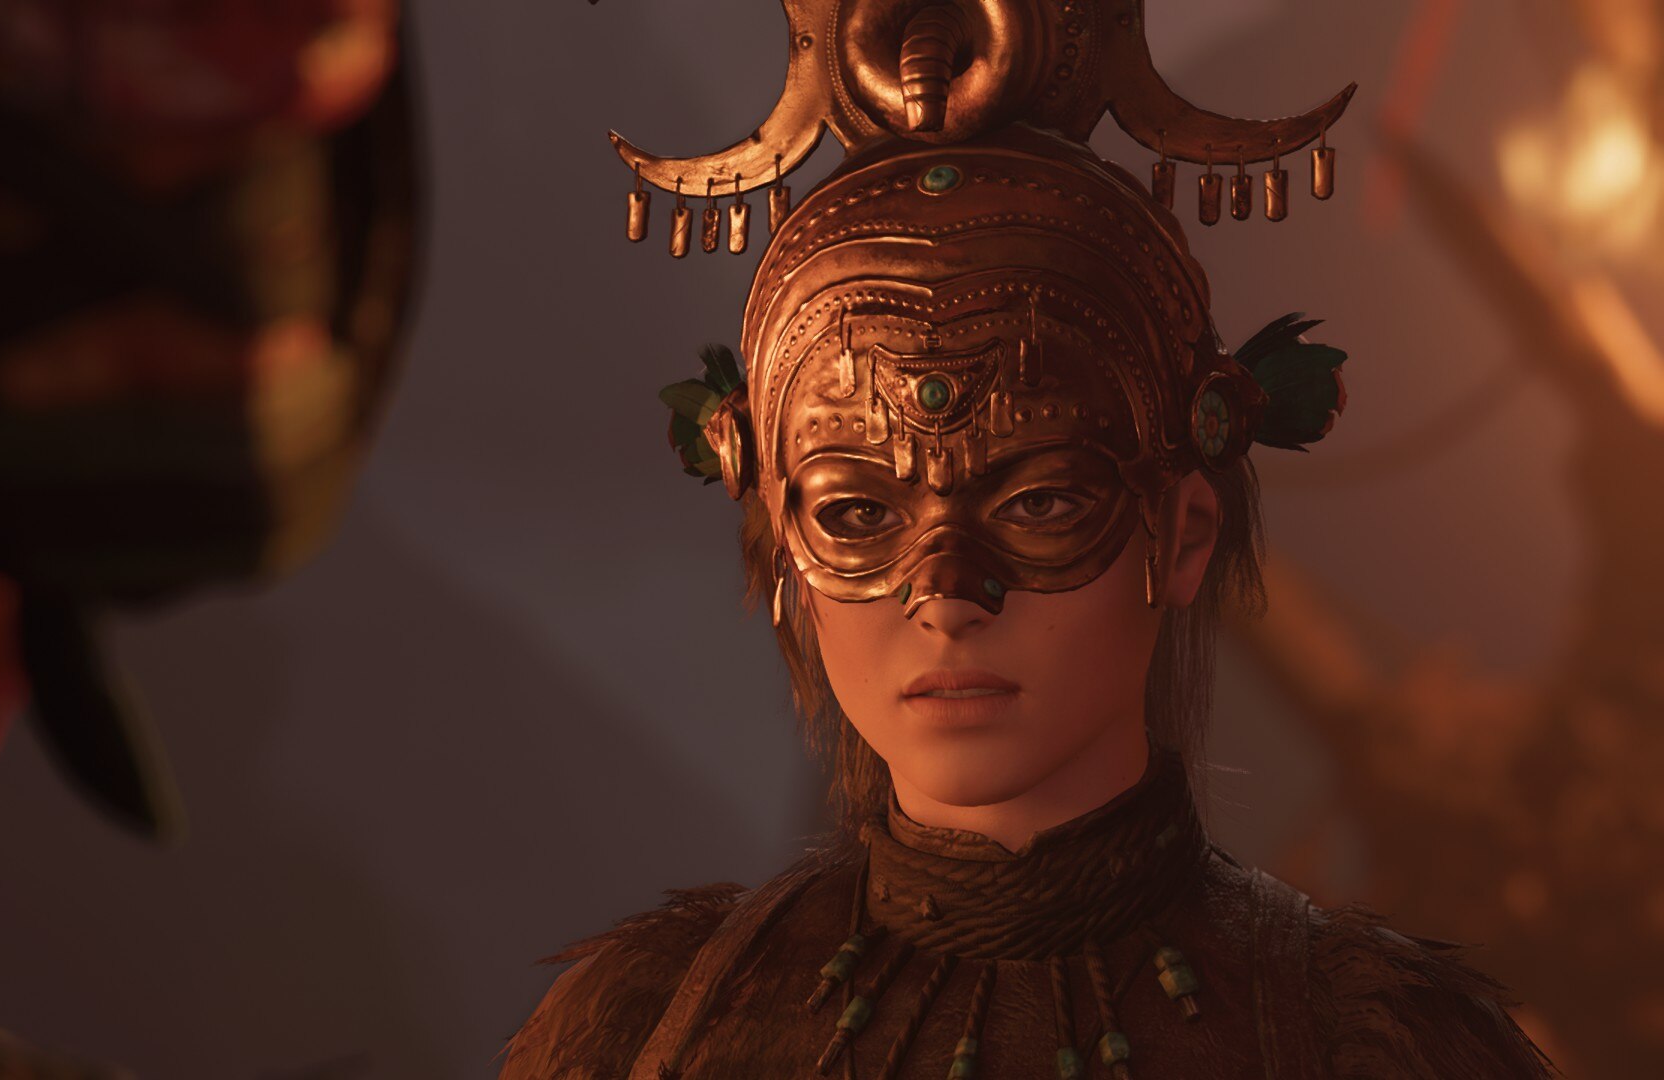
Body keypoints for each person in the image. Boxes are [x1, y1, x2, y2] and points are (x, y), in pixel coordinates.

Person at [503, 3, 1554, 1077]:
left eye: (1040, 503)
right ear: (783, 546)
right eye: (860, 514)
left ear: (1184, 533)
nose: (947, 595)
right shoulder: (652, 1028)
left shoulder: (1362, 1044)